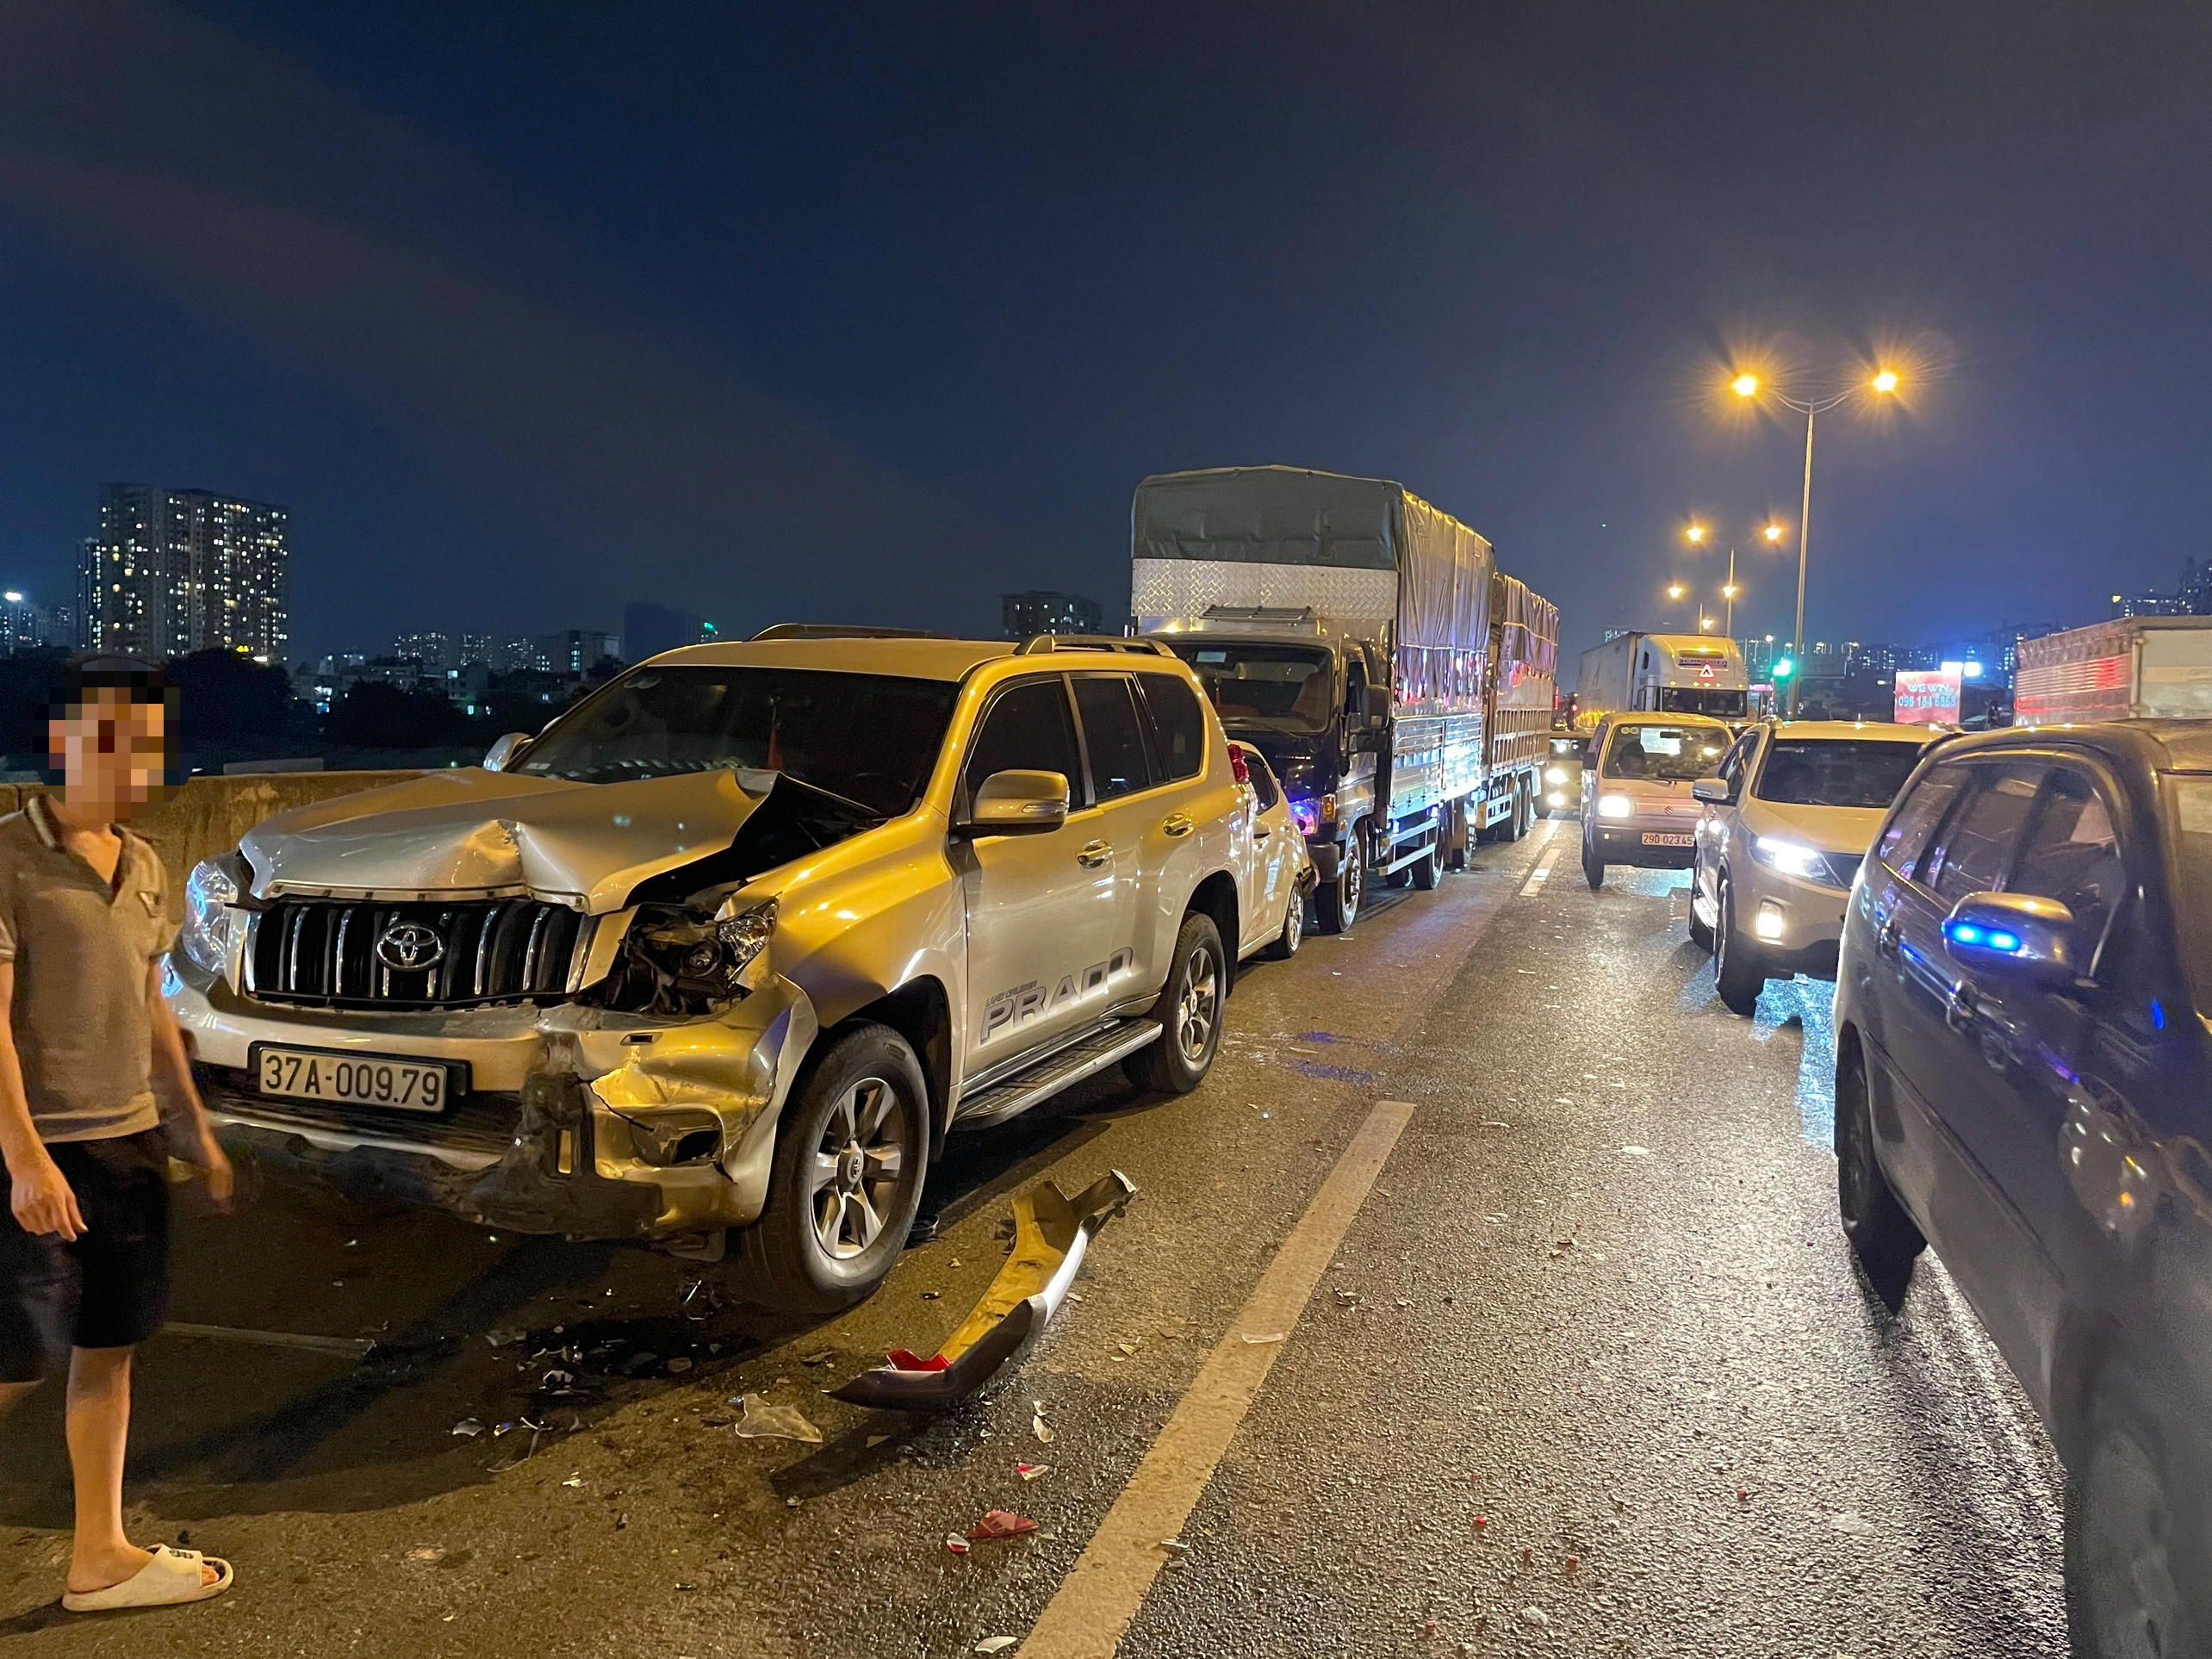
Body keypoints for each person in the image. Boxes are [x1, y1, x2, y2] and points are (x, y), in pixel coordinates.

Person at [0, 657, 236, 1612]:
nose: (130, 762)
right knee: (11, 1362)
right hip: (39, 1153)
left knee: (109, 1348)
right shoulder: (9, 857)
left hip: (129, 1146)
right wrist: (22, 1160)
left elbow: (152, 1011)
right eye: (108, 741)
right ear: (60, 744)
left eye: (143, 744)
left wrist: (195, 1131)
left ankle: (98, 1555)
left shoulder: (144, 863)